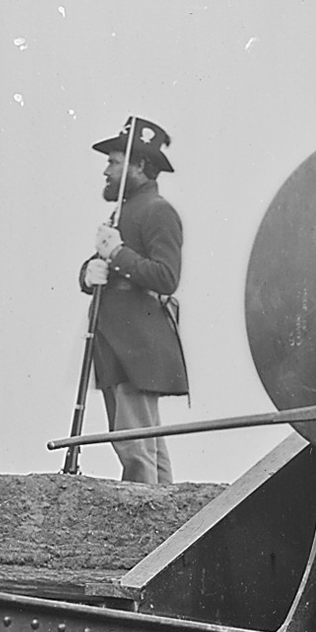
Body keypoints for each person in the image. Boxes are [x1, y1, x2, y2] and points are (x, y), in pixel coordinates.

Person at [80, 118, 187, 484]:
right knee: (146, 445)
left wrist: (119, 254)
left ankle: (148, 522)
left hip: (135, 344)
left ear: (139, 166)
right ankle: (166, 520)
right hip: (120, 343)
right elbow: (110, 263)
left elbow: (166, 277)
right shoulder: (124, 212)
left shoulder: (158, 211)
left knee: (135, 447)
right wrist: (88, 272)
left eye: (114, 162)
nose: (107, 171)